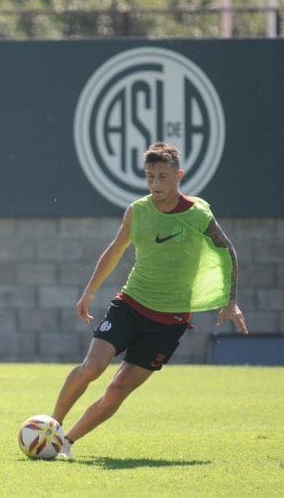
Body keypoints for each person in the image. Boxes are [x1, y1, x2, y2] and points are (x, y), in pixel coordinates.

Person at [50, 141, 249, 460]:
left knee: (116, 391)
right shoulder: (138, 211)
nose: (155, 184)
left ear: (178, 175)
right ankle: (51, 426)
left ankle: (66, 442)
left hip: (168, 324)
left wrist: (230, 300)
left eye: (163, 177)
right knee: (92, 367)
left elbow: (227, 251)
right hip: (129, 305)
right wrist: (89, 291)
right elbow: (115, 250)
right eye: (150, 176)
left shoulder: (198, 214)